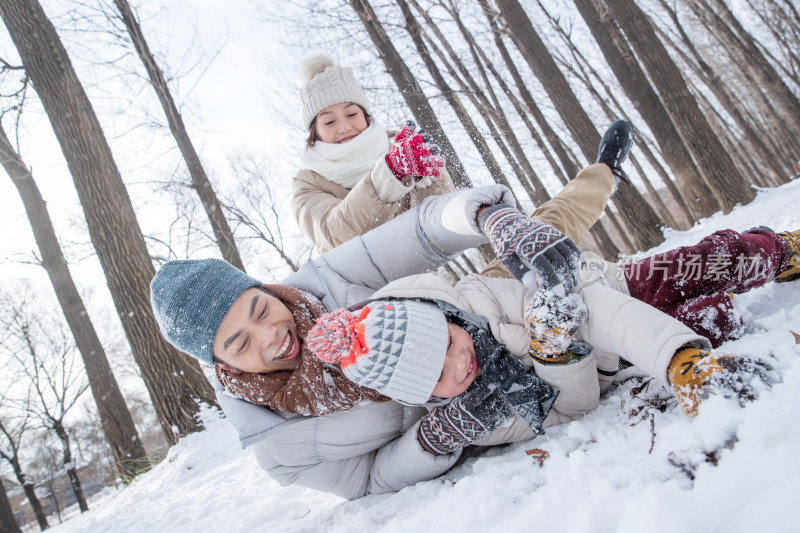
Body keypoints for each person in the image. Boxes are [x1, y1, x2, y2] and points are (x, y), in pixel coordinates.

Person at [151, 183, 600, 499]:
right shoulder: (277, 448)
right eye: (239, 345)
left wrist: (488, 216)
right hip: (519, 397)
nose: (271, 337)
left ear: (265, 289)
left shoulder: (331, 280)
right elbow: (365, 481)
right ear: (220, 364)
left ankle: (597, 178)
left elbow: (423, 230)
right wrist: (435, 438)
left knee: (568, 247)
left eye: (261, 309)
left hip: (488, 318)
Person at [303, 212, 795, 451]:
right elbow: (568, 409)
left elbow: (597, 312)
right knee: (715, 317)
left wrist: (678, 361)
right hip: (610, 362)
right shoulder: (477, 414)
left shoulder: (478, 300)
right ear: (424, 396)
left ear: (449, 319)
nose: (460, 364)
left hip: (612, 294)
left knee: (713, 261)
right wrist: (554, 352)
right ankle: (709, 316)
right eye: (440, 376)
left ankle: (781, 250)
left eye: (450, 344)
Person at [291, 51, 625, 254]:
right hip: (363, 301)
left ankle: (603, 172)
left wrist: (428, 182)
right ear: (314, 132)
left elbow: (440, 219)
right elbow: (337, 235)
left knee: (531, 240)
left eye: (351, 114)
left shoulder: (404, 147)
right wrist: (387, 178)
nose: (344, 127)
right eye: (329, 120)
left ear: (366, 115)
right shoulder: (308, 184)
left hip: (426, 280)